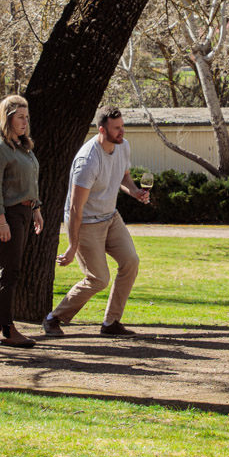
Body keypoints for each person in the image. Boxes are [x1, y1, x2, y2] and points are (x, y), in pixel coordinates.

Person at [43, 107, 150, 338]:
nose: (122, 132)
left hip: (110, 217)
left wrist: (134, 192)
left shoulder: (123, 146)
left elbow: (123, 175)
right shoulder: (87, 160)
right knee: (98, 279)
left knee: (131, 261)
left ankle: (111, 322)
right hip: (87, 223)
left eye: (122, 126)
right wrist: (72, 245)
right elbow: (74, 207)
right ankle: (54, 318)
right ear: (102, 130)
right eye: (116, 128)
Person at [0, 95, 43, 349]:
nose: (25, 122)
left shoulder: (22, 146)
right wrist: (1, 221)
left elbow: (31, 181)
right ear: (7, 118)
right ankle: (8, 330)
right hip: (5, 214)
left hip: (24, 213)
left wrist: (37, 208)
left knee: (4, 271)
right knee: (10, 271)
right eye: (20, 117)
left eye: (27, 118)